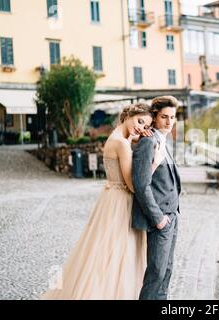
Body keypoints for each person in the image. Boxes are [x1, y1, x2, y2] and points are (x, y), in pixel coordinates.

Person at [41, 103, 165, 299]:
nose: (141, 128)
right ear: (128, 115)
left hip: (110, 198)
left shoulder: (115, 139)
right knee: (119, 254)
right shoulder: (122, 144)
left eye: (146, 126)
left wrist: (133, 138)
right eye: (140, 121)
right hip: (121, 202)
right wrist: (155, 162)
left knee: (102, 251)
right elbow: (133, 186)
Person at [132, 96, 181, 300]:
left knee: (167, 272)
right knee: (156, 274)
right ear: (155, 116)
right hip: (160, 219)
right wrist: (158, 219)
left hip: (173, 216)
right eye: (164, 117)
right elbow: (141, 185)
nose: (169, 122)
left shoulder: (162, 140)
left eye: (172, 117)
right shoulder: (148, 142)